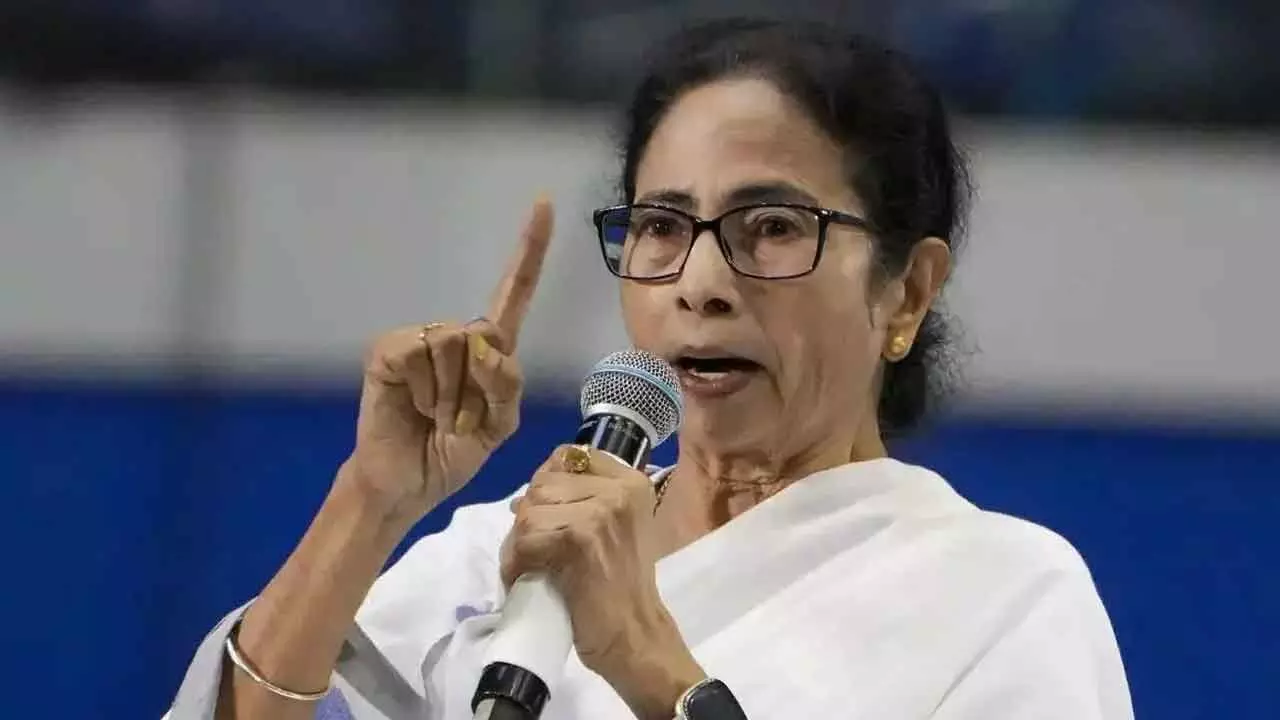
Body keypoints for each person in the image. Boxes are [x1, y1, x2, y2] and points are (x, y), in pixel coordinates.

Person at [166, 18, 1132, 720]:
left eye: (772, 226)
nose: (701, 284)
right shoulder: (502, 552)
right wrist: (371, 501)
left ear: (908, 292)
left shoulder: (997, 595)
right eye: (663, 226)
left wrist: (649, 666)